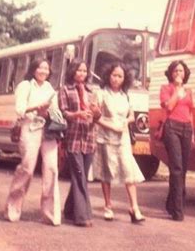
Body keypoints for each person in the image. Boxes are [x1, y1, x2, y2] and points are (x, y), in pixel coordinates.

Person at [4, 58, 61, 226]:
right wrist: (37, 107)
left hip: (48, 131)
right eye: (40, 68)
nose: (43, 71)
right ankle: (12, 208)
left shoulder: (50, 88)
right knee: (27, 168)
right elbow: (20, 109)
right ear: (34, 69)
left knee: (51, 168)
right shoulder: (25, 86)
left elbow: (55, 110)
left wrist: (49, 112)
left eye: (46, 68)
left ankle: (50, 214)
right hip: (30, 129)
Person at [93, 62, 145, 223]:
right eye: (114, 75)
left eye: (120, 76)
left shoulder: (126, 95)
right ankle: (108, 206)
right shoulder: (100, 94)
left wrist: (126, 122)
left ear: (125, 79)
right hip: (106, 138)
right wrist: (111, 126)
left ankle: (134, 207)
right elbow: (95, 117)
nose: (116, 79)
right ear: (108, 76)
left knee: (128, 171)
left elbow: (131, 114)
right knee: (107, 172)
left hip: (122, 138)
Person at [58, 59, 100, 227]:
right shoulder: (65, 90)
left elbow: (97, 116)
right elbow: (62, 112)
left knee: (79, 176)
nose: (82, 74)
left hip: (89, 138)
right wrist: (77, 114)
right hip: (74, 138)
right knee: (80, 175)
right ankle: (82, 216)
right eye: (79, 71)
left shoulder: (92, 91)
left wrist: (96, 112)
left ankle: (69, 211)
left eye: (84, 71)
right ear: (73, 72)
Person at [160, 60, 195, 221]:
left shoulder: (189, 91)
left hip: (186, 129)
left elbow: (190, 112)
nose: (178, 74)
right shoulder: (166, 89)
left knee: (183, 169)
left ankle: (171, 203)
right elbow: (168, 107)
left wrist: (193, 134)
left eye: (181, 71)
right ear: (171, 74)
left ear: (185, 73)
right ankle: (178, 211)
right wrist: (177, 91)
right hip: (172, 128)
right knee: (176, 168)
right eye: (175, 71)